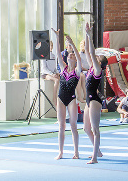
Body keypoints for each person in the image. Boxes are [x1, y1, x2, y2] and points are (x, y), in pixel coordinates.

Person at [52, 28, 81, 160]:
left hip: (71, 99)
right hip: (61, 98)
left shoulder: (77, 71)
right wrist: (57, 37)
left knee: (73, 125)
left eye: (73, 55)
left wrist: (73, 45)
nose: (71, 55)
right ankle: (60, 151)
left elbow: (79, 58)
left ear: (75, 60)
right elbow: (58, 53)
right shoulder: (63, 68)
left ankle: (76, 152)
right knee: (61, 125)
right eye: (69, 55)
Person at [83, 22, 108, 164]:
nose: (94, 58)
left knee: (95, 129)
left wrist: (90, 36)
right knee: (86, 128)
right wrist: (86, 34)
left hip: (95, 100)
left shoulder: (98, 71)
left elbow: (92, 53)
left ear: (100, 63)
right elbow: (87, 51)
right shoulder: (93, 68)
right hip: (89, 99)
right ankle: (97, 150)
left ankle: (95, 157)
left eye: (97, 58)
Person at [41, 41, 59, 109]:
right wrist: (52, 74)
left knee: (61, 79)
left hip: (52, 73)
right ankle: (54, 98)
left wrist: (56, 72)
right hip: (45, 74)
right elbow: (44, 68)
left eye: (51, 45)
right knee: (56, 80)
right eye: (49, 46)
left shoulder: (53, 56)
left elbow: (54, 68)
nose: (50, 47)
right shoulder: (43, 56)